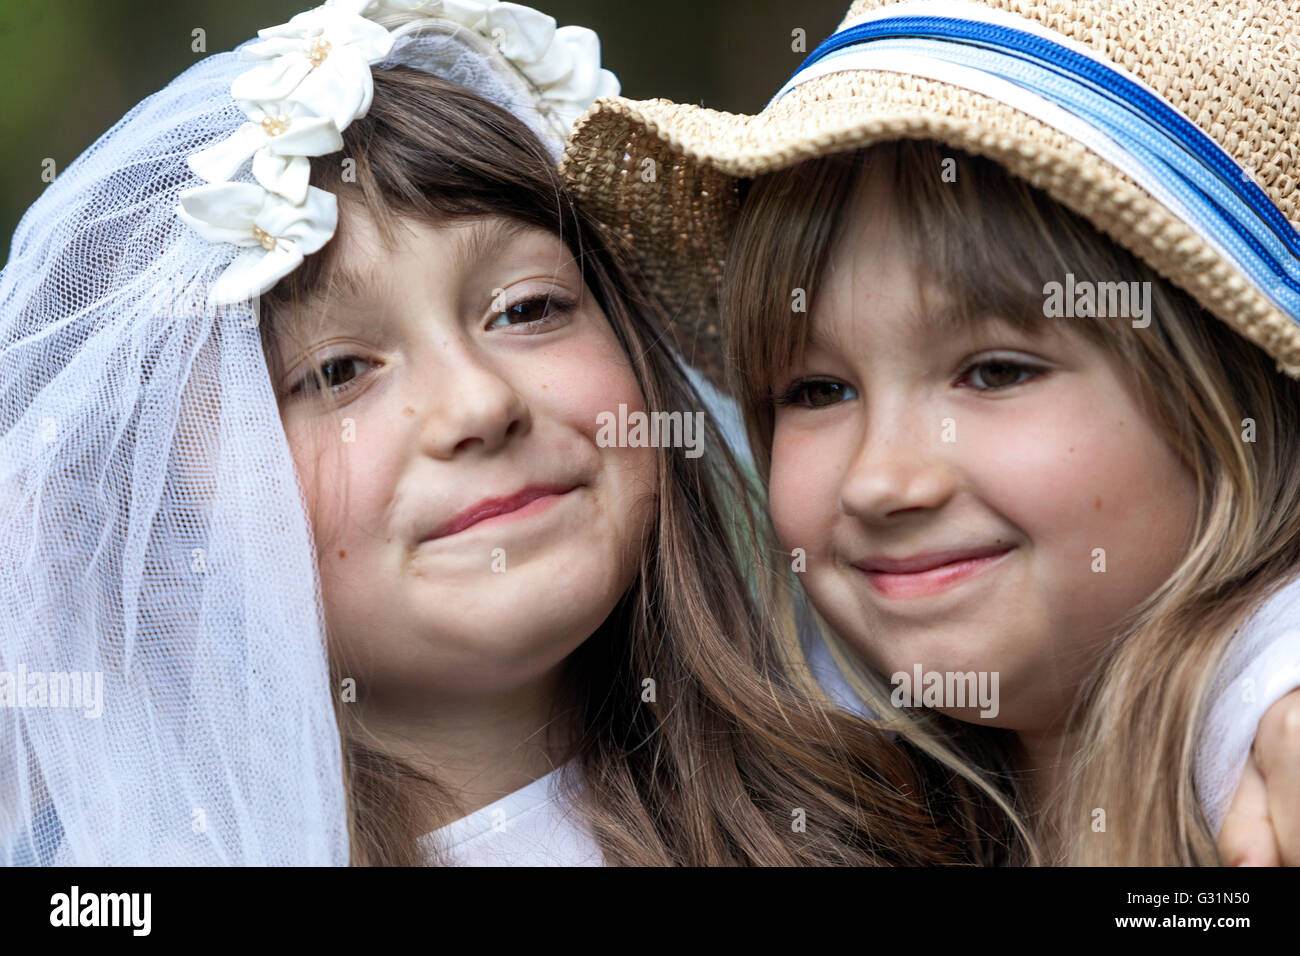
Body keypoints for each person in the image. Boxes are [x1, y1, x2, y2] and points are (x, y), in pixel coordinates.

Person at [0, 0, 991, 865]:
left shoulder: (913, 811)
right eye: (337, 373)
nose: (478, 405)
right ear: (168, 519)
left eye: (525, 308)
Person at [562, 0, 1300, 864]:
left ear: (1237, 397)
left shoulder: (1266, 760)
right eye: (817, 389)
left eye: (995, 372)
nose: (879, 480)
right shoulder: (831, 794)